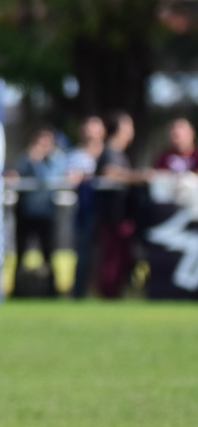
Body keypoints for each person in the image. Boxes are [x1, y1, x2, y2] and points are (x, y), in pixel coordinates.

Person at [8, 127, 68, 296]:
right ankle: (17, 290)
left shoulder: (57, 159)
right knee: (20, 253)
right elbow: (16, 176)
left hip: (46, 214)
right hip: (25, 213)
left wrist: (36, 162)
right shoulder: (25, 157)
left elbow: (46, 180)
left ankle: (52, 291)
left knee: (48, 253)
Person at [95, 113, 138, 298]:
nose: (132, 131)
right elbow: (109, 172)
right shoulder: (110, 151)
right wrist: (139, 177)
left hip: (121, 214)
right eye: (128, 126)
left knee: (123, 257)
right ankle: (108, 295)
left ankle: (115, 293)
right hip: (113, 215)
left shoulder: (119, 153)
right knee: (113, 257)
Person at [65, 115, 105, 298]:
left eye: (94, 128)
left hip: (110, 211)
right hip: (85, 211)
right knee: (84, 253)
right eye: (87, 129)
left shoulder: (108, 153)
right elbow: (70, 179)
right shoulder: (75, 155)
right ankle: (80, 292)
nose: (90, 133)